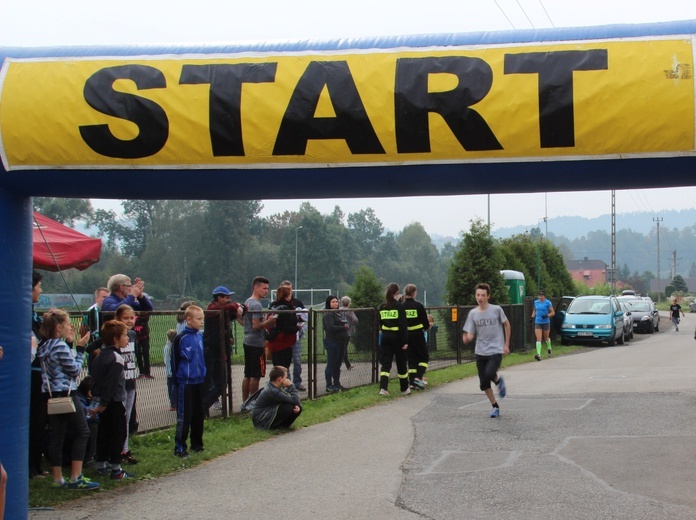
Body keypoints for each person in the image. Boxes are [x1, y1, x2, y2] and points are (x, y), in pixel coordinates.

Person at [36, 308, 100, 490]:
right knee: (82, 431)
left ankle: (58, 478)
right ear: (58, 327)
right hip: (66, 393)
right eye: (67, 324)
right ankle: (75, 476)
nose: (69, 327)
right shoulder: (60, 346)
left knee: (58, 436)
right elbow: (74, 370)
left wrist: (71, 343)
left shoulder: (44, 346)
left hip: (50, 394)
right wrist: (80, 349)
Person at [90, 320, 133, 480]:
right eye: (124, 335)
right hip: (113, 403)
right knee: (118, 435)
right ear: (115, 339)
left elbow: (95, 380)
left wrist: (98, 398)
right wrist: (104, 403)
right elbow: (111, 384)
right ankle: (116, 468)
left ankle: (101, 464)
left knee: (104, 434)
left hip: (103, 400)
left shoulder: (100, 356)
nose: (127, 338)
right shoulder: (117, 359)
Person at [462, 283, 510, 418]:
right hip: (480, 351)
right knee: (483, 383)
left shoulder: (496, 310)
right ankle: (495, 406)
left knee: (489, 373)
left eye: (483, 295)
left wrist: (506, 344)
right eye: (478, 295)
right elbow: (471, 332)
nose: (480, 298)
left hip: (495, 348)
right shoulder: (473, 313)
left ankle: (499, 382)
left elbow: (507, 324)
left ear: (488, 296)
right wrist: (468, 337)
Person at [172, 305, 207, 458]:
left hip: (199, 381)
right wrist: (177, 379)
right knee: (185, 416)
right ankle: (180, 447)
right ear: (188, 320)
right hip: (185, 383)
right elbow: (175, 361)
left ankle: (197, 444)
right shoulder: (180, 339)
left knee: (199, 414)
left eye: (202, 319)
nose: (201, 322)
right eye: (199, 319)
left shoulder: (200, 336)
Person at [202, 286, 243, 411]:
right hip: (210, 349)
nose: (229, 300)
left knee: (221, 382)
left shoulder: (223, 310)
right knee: (207, 381)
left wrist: (240, 307)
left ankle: (203, 406)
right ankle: (202, 407)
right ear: (219, 298)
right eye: (227, 297)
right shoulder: (212, 309)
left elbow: (238, 309)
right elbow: (230, 307)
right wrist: (237, 305)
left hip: (220, 349)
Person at [242, 276, 276, 402]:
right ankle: (253, 403)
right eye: (264, 288)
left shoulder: (247, 302)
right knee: (255, 375)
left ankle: (245, 402)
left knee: (248, 374)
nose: (266, 291)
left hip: (247, 339)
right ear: (255, 288)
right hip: (256, 342)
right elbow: (256, 326)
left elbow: (243, 321)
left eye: (267, 289)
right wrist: (269, 321)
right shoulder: (256, 305)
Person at [114, 305, 139, 465]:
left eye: (131, 318)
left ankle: (125, 448)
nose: (130, 321)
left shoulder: (132, 335)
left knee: (127, 417)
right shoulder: (116, 337)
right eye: (126, 318)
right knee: (120, 419)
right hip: (120, 383)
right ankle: (117, 450)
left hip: (131, 381)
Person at [29, 270, 48, 479]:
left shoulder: (32, 312)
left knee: (39, 420)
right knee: (34, 419)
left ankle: (35, 464)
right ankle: (31, 466)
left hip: (38, 372)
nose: (41, 290)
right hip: (31, 373)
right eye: (39, 286)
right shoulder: (22, 311)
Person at [378, 283, 410, 396]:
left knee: (386, 363)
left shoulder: (382, 307)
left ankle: (383, 388)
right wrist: (405, 341)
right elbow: (402, 325)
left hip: (385, 336)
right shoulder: (399, 306)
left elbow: (380, 323)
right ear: (396, 293)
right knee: (401, 362)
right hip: (397, 337)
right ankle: (404, 388)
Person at [251, 366, 302, 430]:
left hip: (267, 412)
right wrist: (291, 386)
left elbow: (294, 401)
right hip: (260, 419)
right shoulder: (272, 391)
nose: (287, 379)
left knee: (297, 407)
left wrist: (296, 405)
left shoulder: (275, 387)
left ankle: (282, 427)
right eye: (286, 377)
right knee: (288, 407)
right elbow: (295, 400)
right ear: (280, 378)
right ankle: (273, 427)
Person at [279, 281, 307, 391]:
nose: (288, 292)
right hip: (284, 337)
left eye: (290, 289)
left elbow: (305, 316)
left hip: (296, 336)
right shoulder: (278, 304)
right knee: (286, 362)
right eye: (285, 289)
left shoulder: (297, 303)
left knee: (297, 360)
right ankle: (288, 383)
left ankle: (297, 382)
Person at [402, 284, 430, 390]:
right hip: (418, 335)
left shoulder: (402, 306)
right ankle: (418, 377)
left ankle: (412, 382)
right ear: (414, 292)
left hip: (406, 336)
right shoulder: (418, 306)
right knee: (424, 357)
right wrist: (426, 328)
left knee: (412, 359)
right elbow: (425, 323)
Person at [267, 285, 298, 371]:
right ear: (287, 295)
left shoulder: (273, 306)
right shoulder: (286, 309)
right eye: (290, 294)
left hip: (273, 340)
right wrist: (297, 328)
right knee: (283, 369)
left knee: (277, 368)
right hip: (283, 342)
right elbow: (286, 327)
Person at [323, 295, 349, 393]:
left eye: (336, 302)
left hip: (341, 342)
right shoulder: (328, 314)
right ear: (329, 303)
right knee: (331, 363)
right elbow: (330, 328)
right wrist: (343, 328)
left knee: (338, 364)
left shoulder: (338, 313)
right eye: (333, 302)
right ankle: (329, 385)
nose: (335, 304)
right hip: (332, 342)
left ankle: (337, 383)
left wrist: (345, 325)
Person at [531, 290, 555, 360]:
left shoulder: (548, 302)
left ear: (544, 296)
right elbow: (535, 310)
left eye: (542, 296)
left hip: (546, 322)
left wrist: (547, 315)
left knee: (546, 338)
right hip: (538, 322)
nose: (540, 297)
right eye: (539, 296)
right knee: (538, 339)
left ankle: (549, 348)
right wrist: (532, 317)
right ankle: (539, 354)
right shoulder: (536, 302)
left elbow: (553, 312)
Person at [339, 296, 358, 370]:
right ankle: (339, 365)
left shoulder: (338, 310)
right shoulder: (349, 310)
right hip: (347, 331)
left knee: (342, 348)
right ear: (349, 303)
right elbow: (355, 320)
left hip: (340, 331)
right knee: (343, 349)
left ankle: (347, 364)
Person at [134, 311, 153, 379]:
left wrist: (138, 317)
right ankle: (141, 372)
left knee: (146, 354)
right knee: (138, 354)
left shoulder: (144, 311)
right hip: (136, 337)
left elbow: (146, 318)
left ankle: (147, 373)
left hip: (144, 336)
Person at [163, 329, 178, 411]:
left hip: (168, 371)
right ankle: (173, 402)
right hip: (172, 371)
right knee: (174, 387)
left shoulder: (166, 346)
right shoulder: (172, 347)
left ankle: (172, 403)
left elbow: (165, 360)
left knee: (170, 386)